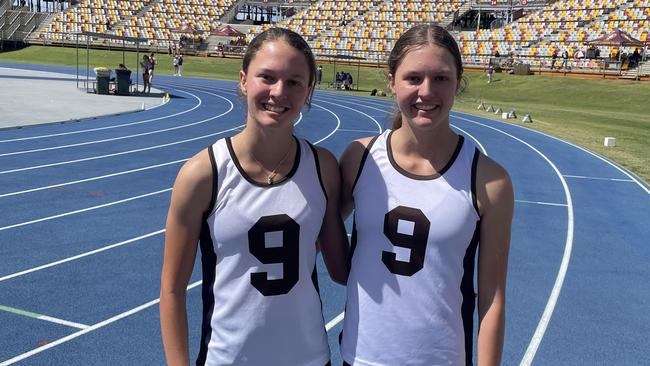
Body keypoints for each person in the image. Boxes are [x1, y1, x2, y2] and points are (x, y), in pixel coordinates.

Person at [160, 27, 349, 366]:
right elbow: (172, 290)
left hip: (309, 358)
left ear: (308, 91)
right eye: (268, 77)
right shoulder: (203, 174)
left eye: (294, 82)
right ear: (244, 79)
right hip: (229, 359)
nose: (279, 92)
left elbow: (341, 269)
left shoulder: (323, 168)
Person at [338, 24, 513, 366]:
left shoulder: (490, 181)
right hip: (361, 357)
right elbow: (307, 233)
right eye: (413, 78)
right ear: (391, 81)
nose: (426, 91)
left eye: (441, 78)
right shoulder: (359, 159)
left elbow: (492, 298)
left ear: (458, 83)